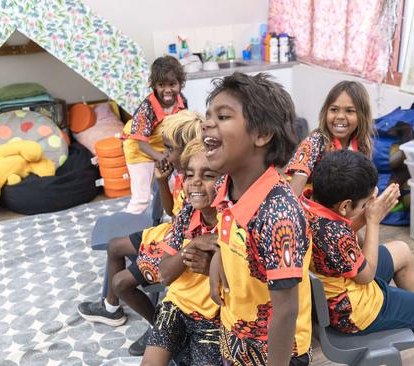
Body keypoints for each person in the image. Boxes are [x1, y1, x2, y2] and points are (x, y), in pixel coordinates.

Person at [301, 150, 414, 366]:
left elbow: (341, 227)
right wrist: (373, 221)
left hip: (337, 287)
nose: (368, 205)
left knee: (402, 250)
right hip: (352, 310)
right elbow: (366, 276)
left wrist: (366, 212)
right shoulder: (336, 235)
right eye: (365, 202)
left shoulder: (308, 202)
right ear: (345, 206)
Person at [202, 72, 312, 365]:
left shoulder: (278, 214)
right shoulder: (225, 187)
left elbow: (286, 311)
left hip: (276, 353)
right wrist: (218, 257)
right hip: (236, 337)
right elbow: (230, 228)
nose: (207, 123)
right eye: (208, 114)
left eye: (223, 116)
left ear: (262, 135)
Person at [77, 111, 202, 356]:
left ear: (188, 149)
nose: (164, 154)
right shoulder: (180, 175)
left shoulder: (197, 180)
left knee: (121, 282)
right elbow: (172, 212)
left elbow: (188, 230)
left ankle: (162, 329)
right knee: (115, 246)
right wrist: (163, 181)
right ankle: (111, 309)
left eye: (169, 148)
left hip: (178, 246)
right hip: (170, 233)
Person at [141, 139, 222, 366]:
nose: (195, 182)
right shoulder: (186, 214)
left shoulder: (232, 223)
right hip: (177, 306)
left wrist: (212, 266)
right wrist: (192, 246)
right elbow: (164, 274)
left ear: (225, 180)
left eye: (208, 176)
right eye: (188, 175)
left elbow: (242, 284)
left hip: (215, 318)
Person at [285, 80, 375, 198]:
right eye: (334, 109)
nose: (340, 116)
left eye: (349, 111)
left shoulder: (362, 146)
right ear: (325, 111)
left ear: (362, 116)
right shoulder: (315, 143)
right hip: (309, 210)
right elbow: (292, 195)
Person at [123, 56, 188, 214]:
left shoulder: (182, 101)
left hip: (164, 148)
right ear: (154, 85)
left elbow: (182, 128)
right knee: (142, 198)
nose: (167, 90)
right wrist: (161, 158)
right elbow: (141, 143)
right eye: (161, 85)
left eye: (172, 84)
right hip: (139, 150)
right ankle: (131, 227)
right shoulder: (147, 108)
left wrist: (174, 154)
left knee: (175, 189)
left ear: (180, 83)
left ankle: (173, 221)